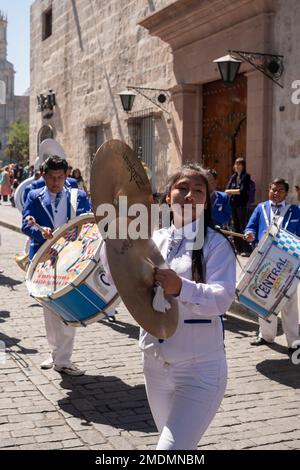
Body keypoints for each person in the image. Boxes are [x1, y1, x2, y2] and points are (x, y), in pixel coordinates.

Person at [101, 163, 236, 449]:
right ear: (167, 197)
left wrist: (182, 288)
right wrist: (110, 239)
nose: (189, 195)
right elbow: (118, 282)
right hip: (154, 366)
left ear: (206, 202)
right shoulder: (153, 239)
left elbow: (223, 299)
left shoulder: (216, 244)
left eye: (198, 191)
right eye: (182, 188)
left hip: (199, 371)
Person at [22, 156, 91, 376]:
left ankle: (64, 359)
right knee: (49, 308)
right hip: (43, 259)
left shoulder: (78, 196)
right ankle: (55, 352)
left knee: (67, 307)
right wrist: (39, 233)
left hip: (71, 259)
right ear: (44, 175)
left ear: (66, 176)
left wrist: (71, 236)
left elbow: (87, 223)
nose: (55, 182)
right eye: (51, 177)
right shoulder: (34, 195)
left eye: (60, 177)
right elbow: (26, 223)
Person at [244, 178, 300, 358]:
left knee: (289, 302)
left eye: (280, 191)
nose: (275, 193)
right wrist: (249, 234)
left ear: (286, 193)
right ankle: (267, 335)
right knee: (263, 298)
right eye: (273, 189)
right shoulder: (260, 208)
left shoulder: (295, 210)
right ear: (269, 190)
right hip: (264, 261)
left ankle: (294, 342)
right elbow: (250, 227)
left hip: (287, 263)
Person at [226, 158, 251, 256]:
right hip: (233, 204)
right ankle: (238, 249)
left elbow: (242, 191)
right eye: (236, 164)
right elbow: (227, 189)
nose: (237, 166)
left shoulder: (246, 177)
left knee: (242, 226)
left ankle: (247, 249)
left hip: (241, 205)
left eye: (239, 164)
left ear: (243, 166)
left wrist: (232, 191)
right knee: (235, 226)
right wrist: (234, 191)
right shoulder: (233, 177)